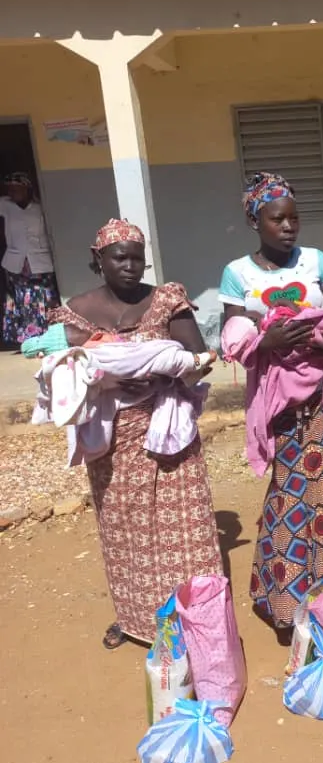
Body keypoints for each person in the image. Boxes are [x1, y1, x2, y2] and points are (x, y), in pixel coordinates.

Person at [48, 218, 223, 649]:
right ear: (98, 260)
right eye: (119, 257)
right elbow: (60, 373)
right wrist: (104, 382)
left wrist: (163, 376)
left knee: (186, 529)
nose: (130, 266)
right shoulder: (77, 310)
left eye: (137, 259)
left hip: (169, 432)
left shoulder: (166, 301)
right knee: (123, 529)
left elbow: (198, 359)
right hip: (112, 440)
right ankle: (135, 619)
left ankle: (194, 614)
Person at [219, 173, 323, 632]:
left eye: (294, 217)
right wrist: (267, 337)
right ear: (255, 221)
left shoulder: (317, 261)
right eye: (278, 219)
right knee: (285, 491)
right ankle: (285, 596)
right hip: (274, 400)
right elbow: (232, 336)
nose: (289, 226)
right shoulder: (238, 273)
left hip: (320, 395)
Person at [0, 172, 59, 347]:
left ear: (27, 189)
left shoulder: (41, 206)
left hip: (41, 261)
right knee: (21, 302)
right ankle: (27, 340)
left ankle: (46, 336)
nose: (13, 192)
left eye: (17, 189)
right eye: (10, 189)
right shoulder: (4, 205)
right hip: (14, 262)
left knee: (43, 299)